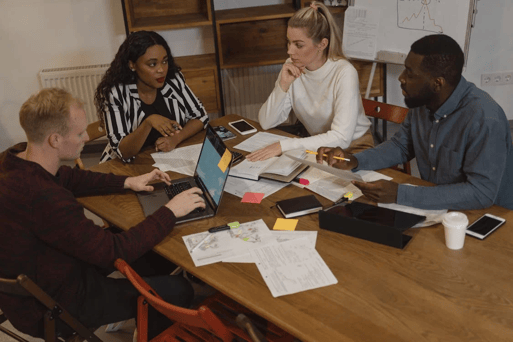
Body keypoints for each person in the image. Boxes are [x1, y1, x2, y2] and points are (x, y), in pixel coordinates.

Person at [0, 88, 206, 338]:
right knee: (179, 289)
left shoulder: (14, 160)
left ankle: (142, 302)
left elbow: (69, 176)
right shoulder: (43, 197)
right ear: (54, 140)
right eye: (79, 133)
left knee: (153, 253)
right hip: (53, 304)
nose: (87, 137)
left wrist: (127, 182)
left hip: (41, 276)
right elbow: (112, 251)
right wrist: (170, 211)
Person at [317, 34, 513, 210]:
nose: (401, 79)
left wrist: (400, 194)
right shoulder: (423, 101)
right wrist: (355, 160)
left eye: (410, 73)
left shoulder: (485, 119)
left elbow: (481, 193)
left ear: (438, 83)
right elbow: (401, 146)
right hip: (438, 205)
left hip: (489, 217)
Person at [247, 1, 373, 162]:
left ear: (322, 44)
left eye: (298, 45)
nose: (290, 51)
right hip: (319, 147)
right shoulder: (291, 66)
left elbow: (342, 137)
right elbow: (266, 122)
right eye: (288, 42)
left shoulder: (344, 73)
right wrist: (283, 86)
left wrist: (284, 146)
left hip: (354, 148)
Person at [95, 30, 209, 163]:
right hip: (127, 166)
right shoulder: (116, 93)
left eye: (165, 61)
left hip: (166, 160)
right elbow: (122, 151)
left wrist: (175, 139)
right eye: (152, 64)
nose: (161, 70)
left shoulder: (173, 80)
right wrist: (148, 122)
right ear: (132, 65)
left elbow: (200, 115)